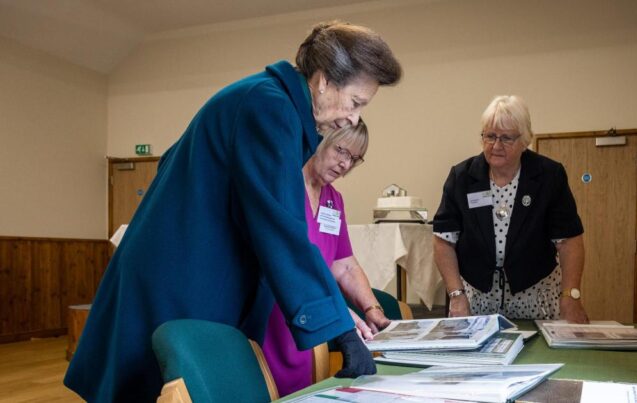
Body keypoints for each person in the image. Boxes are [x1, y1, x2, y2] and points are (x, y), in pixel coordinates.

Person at [64, 21, 401, 402]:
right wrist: (337, 329)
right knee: (157, 386)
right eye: (356, 103)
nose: (354, 118)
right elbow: (280, 228)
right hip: (177, 279)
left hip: (191, 271)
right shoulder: (268, 105)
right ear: (323, 81)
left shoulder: (266, 100)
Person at [262, 120, 392, 396]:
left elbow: (344, 265)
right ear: (320, 140)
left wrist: (373, 310)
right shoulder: (283, 187)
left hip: (311, 324)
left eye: (354, 159)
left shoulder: (333, 200)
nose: (346, 164)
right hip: (273, 316)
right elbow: (285, 264)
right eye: (341, 151)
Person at [432, 95, 588, 324]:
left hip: (536, 296)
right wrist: (456, 295)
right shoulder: (462, 177)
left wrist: (570, 296)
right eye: (490, 136)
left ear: (525, 140)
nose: (496, 146)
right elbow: (443, 241)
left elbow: (569, 241)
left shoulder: (548, 176)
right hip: (477, 298)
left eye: (506, 138)